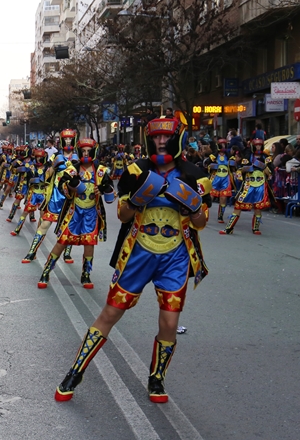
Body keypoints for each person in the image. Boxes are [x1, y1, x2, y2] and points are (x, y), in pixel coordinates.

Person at [53, 116, 211, 404]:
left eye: (166, 137)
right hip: (138, 252)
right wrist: (138, 200)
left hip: (176, 255)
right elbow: (123, 215)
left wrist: (194, 204)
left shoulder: (195, 174)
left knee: (169, 322)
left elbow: (201, 222)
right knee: (110, 313)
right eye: (156, 138)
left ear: (177, 139)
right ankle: (75, 372)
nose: (160, 142)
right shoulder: (135, 171)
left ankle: (157, 379)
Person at [36, 138, 114, 289]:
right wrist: (71, 187)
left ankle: (86, 274)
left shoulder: (101, 170)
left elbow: (109, 189)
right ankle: (46, 271)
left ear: (93, 151)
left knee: (89, 243)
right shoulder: (72, 169)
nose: (85, 153)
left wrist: (104, 190)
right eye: (83, 151)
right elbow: (61, 185)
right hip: (74, 211)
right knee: (62, 241)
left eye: (88, 151)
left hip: (92, 212)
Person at [22, 129, 79, 264]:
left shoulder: (79, 157)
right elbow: (45, 176)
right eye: (66, 139)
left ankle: (67, 253)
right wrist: (54, 166)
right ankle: (32, 252)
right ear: (62, 141)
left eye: (71, 139)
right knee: (44, 223)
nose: (68, 141)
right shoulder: (55, 156)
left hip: (70, 197)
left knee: (68, 226)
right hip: (54, 197)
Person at [220, 138, 273, 235]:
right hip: (248, 185)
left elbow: (270, 172)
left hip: (261, 185)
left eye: (260, 145)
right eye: (256, 145)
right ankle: (229, 228)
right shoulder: (247, 157)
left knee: (258, 207)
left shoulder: (266, 158)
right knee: (238, 205)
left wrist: (265, 169)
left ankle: (255, 228)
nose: (258, 147)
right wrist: (242, 173)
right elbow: (240, 169)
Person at [208, 139, 236, 223]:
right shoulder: (213, 156)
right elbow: (207, 166)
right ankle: (204, 214)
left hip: (225, 178)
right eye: (221, 144)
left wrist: (233, 165)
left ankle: (220, 216)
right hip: (215, 178)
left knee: (223, 198)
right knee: (210, 197)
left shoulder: (230, 156)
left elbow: (234, 167)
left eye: (224, 144)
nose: (223, 146)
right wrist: (212, 166)